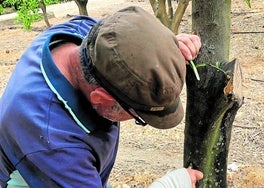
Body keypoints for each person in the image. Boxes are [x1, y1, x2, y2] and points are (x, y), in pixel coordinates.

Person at [0, 6, 203, 188]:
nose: (136, 119)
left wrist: (162, 51)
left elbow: (126, 40)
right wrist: (169, 185)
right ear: (101, 99)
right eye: (139, 117)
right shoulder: (56, 143)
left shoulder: (84, 34)